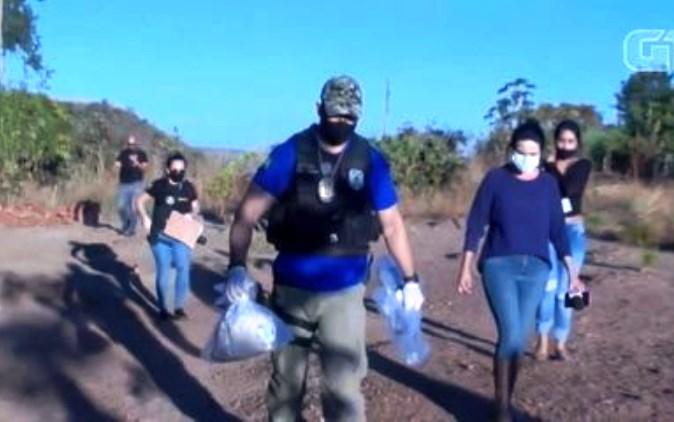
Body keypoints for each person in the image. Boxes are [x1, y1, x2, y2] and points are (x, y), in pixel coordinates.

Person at [224, 75, 424, 422]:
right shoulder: (290, 153)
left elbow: (392, 224)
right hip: (291, 291)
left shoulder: (369, 160)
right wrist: (237, 267)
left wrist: (411, 278)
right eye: (335, 114)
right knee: (285, 387)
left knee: (344, 390)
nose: (341, 122)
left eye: (349, 118)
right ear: (318, 109)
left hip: (344, 295)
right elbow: (246, 214)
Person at [455, 119, 584, 421]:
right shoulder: (495, 180)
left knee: (521, 338)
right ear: (511, 150)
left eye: (534, 153)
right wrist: (466, 267)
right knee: (511, 333)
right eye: (522, 152)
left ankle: (505, 400)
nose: (527, 158)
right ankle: (501, 412)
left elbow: (558, 231)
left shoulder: (548, 185)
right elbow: (476, 224)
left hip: (537, 268)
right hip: (500, 265)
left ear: (542, 154)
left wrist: (572, 272)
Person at [534, 120, 592, 361]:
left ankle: (562, 342)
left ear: (577, 142)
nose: (566, 145)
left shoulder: (583, 165)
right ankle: (542, 341)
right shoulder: (543, 166)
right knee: (547, 286)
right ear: (555, 140)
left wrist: (550, 168)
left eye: (570, 141)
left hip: (573, 230)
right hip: (547, 229)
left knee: (568, 289)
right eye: (561, 140)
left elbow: (571, 190)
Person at [135, 152, 200, 321]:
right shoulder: (158, 185)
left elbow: (196, 207)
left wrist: (191, 215)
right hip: (159, 235)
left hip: (181, 236)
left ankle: (179, 307)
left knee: (182, 268)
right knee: (163, 269)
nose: (178, 172)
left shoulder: (188, 187)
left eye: (182, 169)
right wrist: (145, 218)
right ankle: (163, 308)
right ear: (167, 169)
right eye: (174, 169)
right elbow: (139, 201)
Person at [115, 134, 149, 236]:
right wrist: (117, 165)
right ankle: (126, 223)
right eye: (129, 144)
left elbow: (145, 168)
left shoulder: (142, 154)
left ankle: (131, 229)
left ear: (136, 144)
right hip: (124, 183)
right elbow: (117, 163)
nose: (131, 146)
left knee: (133, 207)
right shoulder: (123, 153)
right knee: (121, 206)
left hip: (136, 183)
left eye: (133, 144)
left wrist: (137, 163)